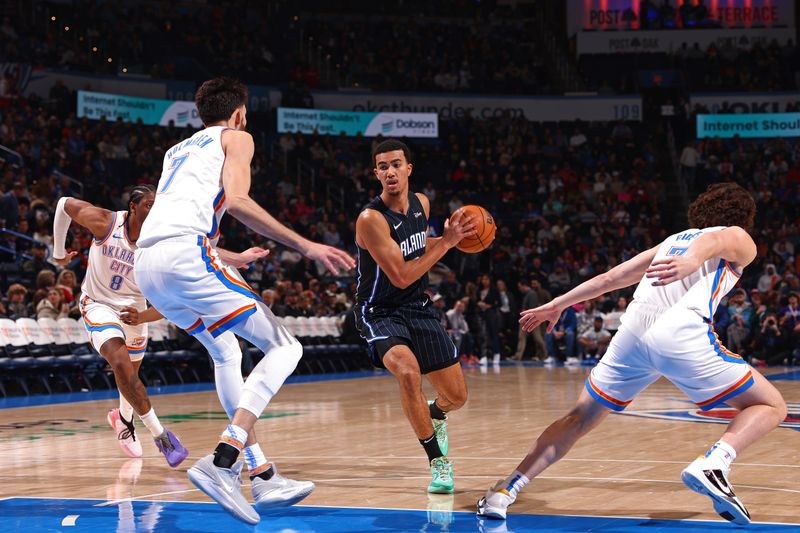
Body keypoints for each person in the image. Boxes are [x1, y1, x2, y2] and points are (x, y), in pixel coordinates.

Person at [477, 183, 787, 525]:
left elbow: (614, 277)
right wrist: (694, 261)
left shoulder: (674, 240)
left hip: (632, 335)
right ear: (744, 216)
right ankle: (715, 463)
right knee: (772, 404)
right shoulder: (737, 237)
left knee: (578, 418)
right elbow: (717, 241)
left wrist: (558, 303)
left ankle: (505, 491)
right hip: (679, 334)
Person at [133, 77, 354, 525]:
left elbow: (175, 221)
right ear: (237, 114)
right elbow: (236, 200)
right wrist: (306, 245)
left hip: (148, 265)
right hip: (184, 255)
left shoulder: (175, 151)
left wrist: (230, 255)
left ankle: (263, 473)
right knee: (287, 347)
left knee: (225, 351)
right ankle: (222, 459)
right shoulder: (238, 136)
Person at [354, 139, 475, 495]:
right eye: (383, 166)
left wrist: (452, 237)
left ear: (409, 169)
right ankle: (438, 462)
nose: (390, 172)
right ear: (375, 173)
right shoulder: (370, 219)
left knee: (457, 397)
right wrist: (449, 244)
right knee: (408, 373)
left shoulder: (421, 203)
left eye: (396, 164)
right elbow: (403, 275)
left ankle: (436, 414)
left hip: (417, 307)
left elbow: (422, 246)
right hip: (379, 311)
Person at [51, 185, 189, 466]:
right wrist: (57, 253)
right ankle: (161, 436)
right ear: (133, 207)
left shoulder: (161, 245)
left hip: (135, 312)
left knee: (131, 377)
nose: (155, 211)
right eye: (149, 205)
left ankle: (123, 418)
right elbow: (64, 204)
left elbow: (172, 302)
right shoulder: (106, 223)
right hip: (98, 304)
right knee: (121, 363)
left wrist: (143, 317)